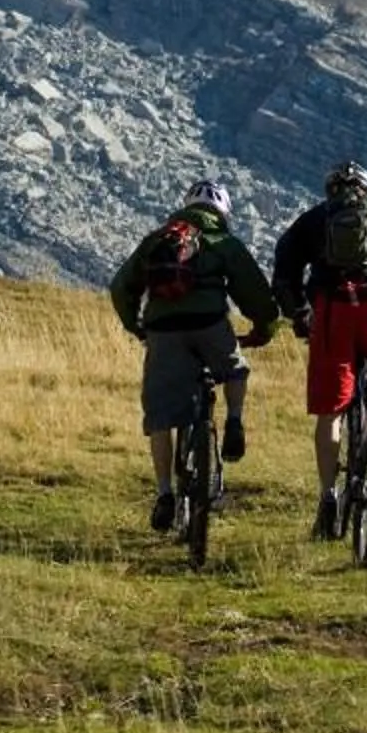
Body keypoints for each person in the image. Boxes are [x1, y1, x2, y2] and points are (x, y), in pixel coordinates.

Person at [268, 160, 367, 541]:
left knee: (331, 411)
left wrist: (299, 315)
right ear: (366, 190)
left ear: (330, 190)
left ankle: (328, 497)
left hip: (332, 310)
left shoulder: (312, 221)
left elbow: (284, 272)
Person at [109, 177, 277, 534]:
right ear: (223, 212)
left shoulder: (157, 239)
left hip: (164, 331)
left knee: (160, 414)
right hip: (209, 324)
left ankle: (164, 494)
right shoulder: (223, 242)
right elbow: (255, 293)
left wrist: (137, 326)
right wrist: (264, 329)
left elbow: (121, 287)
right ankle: (234, 421)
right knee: (235, 369)